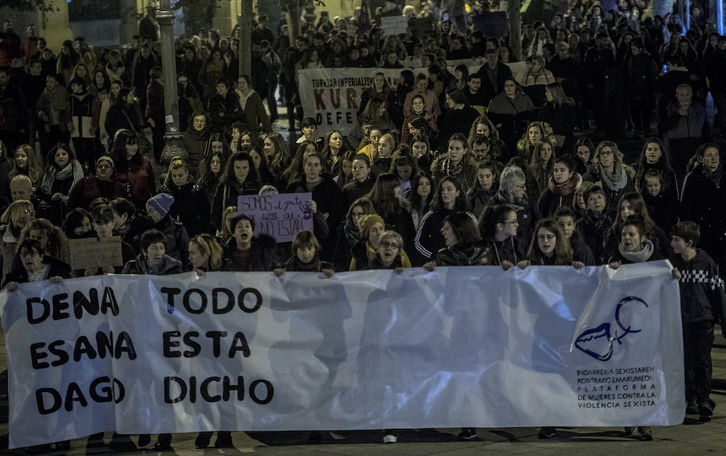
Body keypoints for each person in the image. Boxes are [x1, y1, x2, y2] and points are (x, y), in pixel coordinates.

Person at [670, 221, 726, 422]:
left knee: (703, 360)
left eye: (677, 240)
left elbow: (718, 292)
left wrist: (722, 320)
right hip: (682, 320)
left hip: (703, 320)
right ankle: (691, 398)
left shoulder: (707, 263)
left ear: (689, 242)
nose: (673, 243)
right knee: (686, 361)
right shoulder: (672, 263)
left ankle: (704, 399)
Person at [680, 143, 726, 273]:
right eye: (709, 155)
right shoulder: (693, 178)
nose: (714, 158)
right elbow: (687, 207)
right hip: (705, 233)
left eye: (716, 154)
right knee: (706, 269)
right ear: (701, 159)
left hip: (723, 230)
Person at [415, 176, 476, 264]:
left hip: (461, 265)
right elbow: (418, 242)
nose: (445, 193)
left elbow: (475, 240)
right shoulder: (431, 215)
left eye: (449, 189)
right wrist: (434, 257)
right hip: (435, 265)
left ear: (457, 193)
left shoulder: (467, 216)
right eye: (442, 190)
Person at [160, 157, 211, 237]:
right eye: (174, 176)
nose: (177, 179)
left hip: (191, 232)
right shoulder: (166, 192)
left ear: (187, 173)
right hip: (169, 233)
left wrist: (196, 229)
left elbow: (205, 214)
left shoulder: (196, 191)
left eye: (180, 175)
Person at [422, 211, 490, 270]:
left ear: (458, 230)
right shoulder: (443, 257)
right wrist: (429, 272)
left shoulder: (485, 252)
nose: (443, 233)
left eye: (447, 229)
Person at [583, 141, 635, 216]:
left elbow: (633, 198)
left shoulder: (626, 176)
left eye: (608, 153)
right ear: (598, 157)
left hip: (623, 216)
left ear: (614, 156)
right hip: (602, 218)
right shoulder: (591, 176)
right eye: (602, 153)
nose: (605, 156)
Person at [38, 143, 85, 226]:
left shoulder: (79, 170)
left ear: (69, 156)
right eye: (58, 155)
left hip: (73, 214)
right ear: (54, 158)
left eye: (64, 154)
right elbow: (41, 193)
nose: (61, 157)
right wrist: (52, 197)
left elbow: (83, 191)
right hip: (53, 216)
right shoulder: (49, 173)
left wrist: (71, 199)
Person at [110, 130, 155, 210]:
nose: (134, 147)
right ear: (121, 145)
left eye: (135, 143)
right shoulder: (113, 162)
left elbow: (151, 184)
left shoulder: (144, 161)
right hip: (120, 206)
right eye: (130, 144)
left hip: (142, 205)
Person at [487, 78, 536, 152]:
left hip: (522, 135)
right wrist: (497, 125)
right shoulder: (497, 101)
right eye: (506, 85)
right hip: (504, 136)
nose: (508, 87)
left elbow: (532, 115)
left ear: (516, 86)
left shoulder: (525, 99)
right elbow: (490, 117)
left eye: (511, 85)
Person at [145, 193, 190, 267]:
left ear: (160, 211)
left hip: (174, 273)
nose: (149, 215)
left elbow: (186, 254)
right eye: (148, 212)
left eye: (151, 211)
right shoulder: (148, 230)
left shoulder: (177, 230)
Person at [577, 185, 612, 265]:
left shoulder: (614, 219)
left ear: (605, 200)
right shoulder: (581, 224)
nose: (596, 201)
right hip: (589, 266)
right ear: (587, 204)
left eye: (599, 197)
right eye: (591, 199)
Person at [236, 75, 272, 146]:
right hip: (238, 129)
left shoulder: (254, 96)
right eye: (239, 82)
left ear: (248, 84)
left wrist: (269, 131)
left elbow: (262, 114)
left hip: (251, 128)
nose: (241, 84)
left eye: (243, 82)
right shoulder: (235, 95)